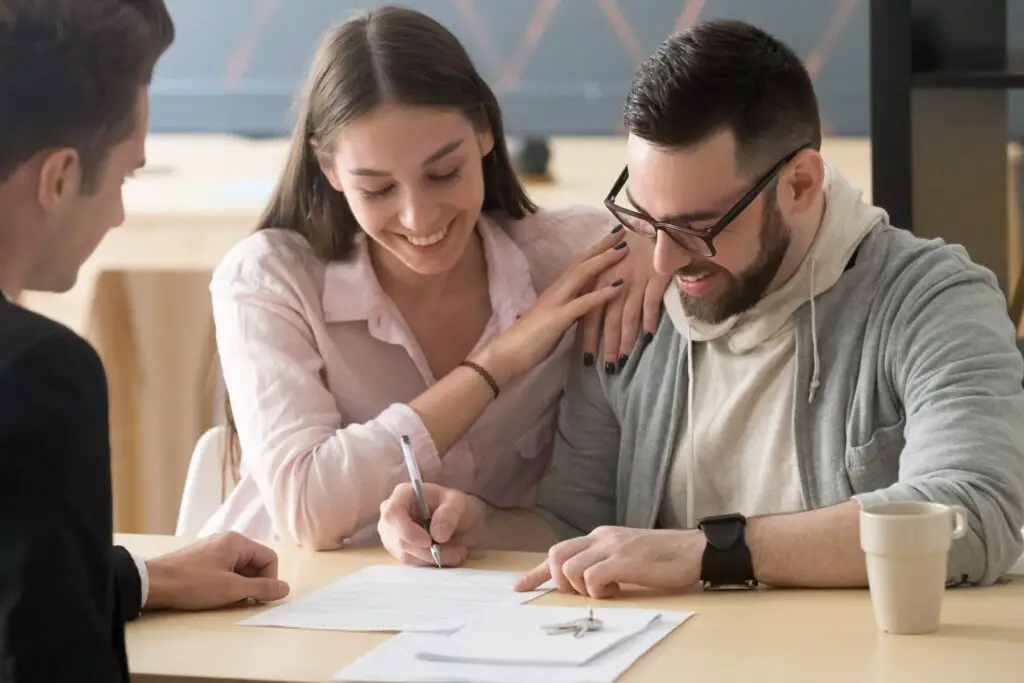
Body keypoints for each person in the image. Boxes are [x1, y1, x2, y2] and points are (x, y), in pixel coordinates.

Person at [377, 19, 1024, 597]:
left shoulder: (931, 299)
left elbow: (976, 511)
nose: (660, 263)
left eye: (695, 225)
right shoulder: (633, 305)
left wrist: (710, 552)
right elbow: (578, 523)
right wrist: (481, 523)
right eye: (644, 218)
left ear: (800, 184)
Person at [200, 5, 669, 549]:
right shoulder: (268, 279)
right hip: (291, 604)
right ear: (329, 170)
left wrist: (650, 235)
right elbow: (307, 510)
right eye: (376, 190)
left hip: (499, 607)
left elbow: (682, 225)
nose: (418, 218)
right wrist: (498, 362)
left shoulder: (573, 258)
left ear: (485, 133)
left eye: (444, 173)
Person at [0, 1, 289, 680]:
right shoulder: (37, 373)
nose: (122, 212)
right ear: (60, 177)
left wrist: (140, 578)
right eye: (127, 173)